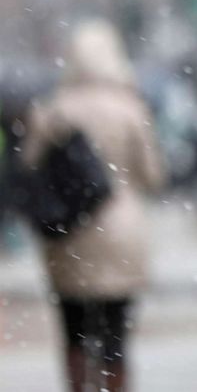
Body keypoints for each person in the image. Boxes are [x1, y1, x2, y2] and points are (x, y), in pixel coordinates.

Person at [21, 20, 163, 392]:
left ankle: (79, 385)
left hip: (68, 231)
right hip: (122, 231)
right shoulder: (130, 107)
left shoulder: (52, 108)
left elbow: (32, 166)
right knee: (115, 334)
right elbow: (152, 175)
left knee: (73, 330)